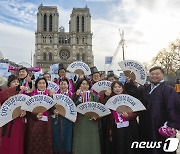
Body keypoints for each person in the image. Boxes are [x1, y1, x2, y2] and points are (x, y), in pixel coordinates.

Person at [124, 66, 180, 154]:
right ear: (149, 75)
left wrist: (171, 124)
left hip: (162, 124)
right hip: (145, 123)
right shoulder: (144, 88)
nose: (154, 76)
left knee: (163, 148)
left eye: (157, 74)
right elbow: (135, 95)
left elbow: (173, 107)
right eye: (152, 74)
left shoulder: (169, 89)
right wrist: (129, 83)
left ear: (162, 75)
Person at [99, 81, 139, 154]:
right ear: (112, 89)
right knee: (117, 144)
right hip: (114, 126)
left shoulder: (129, 98)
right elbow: (103, 109)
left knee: (128, 144)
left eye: (119, 87)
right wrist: (106, 96)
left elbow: (135, 111)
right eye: (115, 87)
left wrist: (129, 115)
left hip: (128, 127)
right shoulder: (109, 99)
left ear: (122, 88)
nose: (117, 89)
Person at [25, 77, 54, 154]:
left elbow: (53, 109)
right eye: (40, 83)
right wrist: (35, 115)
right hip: (34, 121)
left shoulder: (50, 94)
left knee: (46, 138)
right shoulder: (31, 94)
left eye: (43, 83)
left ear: (46, 85)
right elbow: (27, 109)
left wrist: (52, 97)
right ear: (37, 85)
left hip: (47, 121)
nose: (42, 85)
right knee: (34, 138)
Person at [72, 78, 101, 154]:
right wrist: (76, 96)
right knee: (80, 138)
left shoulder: (94, 96)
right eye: (83, 84)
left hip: (91, 120)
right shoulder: (75, 94)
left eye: (86, 84)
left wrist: (96, 116)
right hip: (80, 120)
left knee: (92, 138)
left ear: (89, 86)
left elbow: (99, 108)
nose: (85, 85)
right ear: (80, 85)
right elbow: (72, 106)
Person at [0, 75, 27, 154]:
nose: (16, 83)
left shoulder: (22, 95)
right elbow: (1, 96)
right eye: (14, 82)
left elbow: (27, 106)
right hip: (7, 122)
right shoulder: (4, 93)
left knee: (18, 142)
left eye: (17, 82)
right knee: (7, 143)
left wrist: (24, 112)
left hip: (19, 122)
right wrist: (16, 88)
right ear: (9, 84)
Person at [52, 78, 73, 154]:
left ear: (68, 85)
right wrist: (53, 111)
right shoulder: (54, 95)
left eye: (64, 84)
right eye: (61, 84)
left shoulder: (72, 95)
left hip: (68, 119)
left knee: (68, 136)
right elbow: (51, 107)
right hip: (57, 119)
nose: (63, 86)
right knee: (56, 136)